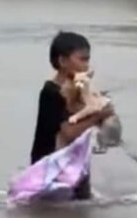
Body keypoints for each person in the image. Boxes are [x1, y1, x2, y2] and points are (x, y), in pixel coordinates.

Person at [30, 31, 115, 200]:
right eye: (82, 59)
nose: (86, 66)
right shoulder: (51, 93)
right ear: (62, 61)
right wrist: (98, 116)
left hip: (74, 164)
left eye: (88, 60)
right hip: (52, 169)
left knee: (81, 211)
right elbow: (68, 133)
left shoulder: (80, 91)